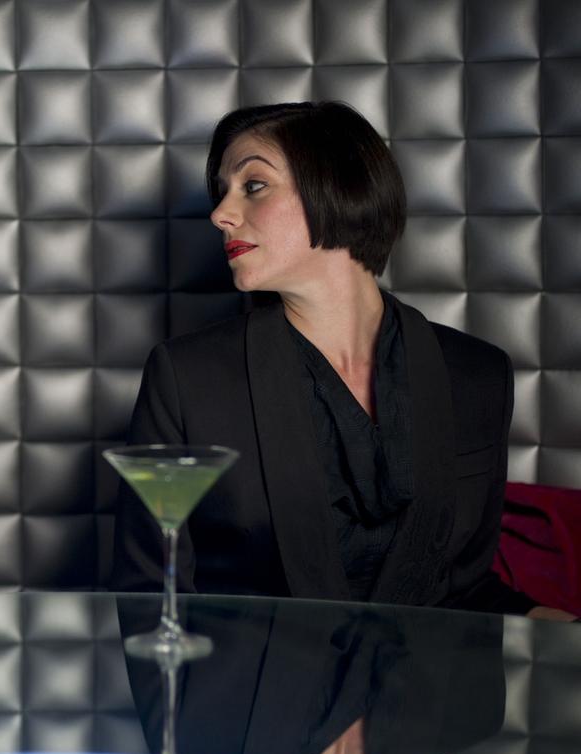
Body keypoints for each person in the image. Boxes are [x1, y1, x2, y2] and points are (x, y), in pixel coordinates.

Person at [110, 102, 574, 619]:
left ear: (341, 187)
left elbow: (464, 589)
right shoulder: (187, 378)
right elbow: (151, 597)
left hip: (429, 672)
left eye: (253, 185)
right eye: (222, 192)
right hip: (253, 672)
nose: (220, 213)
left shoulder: (477, 374)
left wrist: (557, 627)